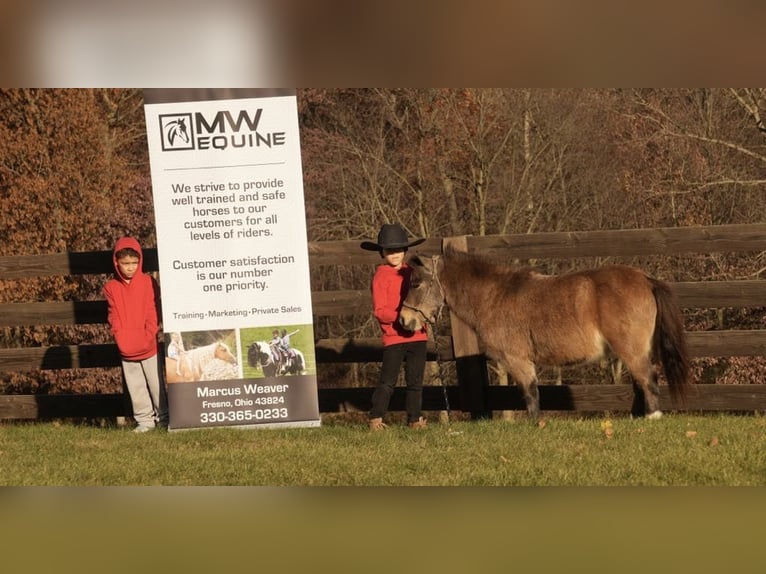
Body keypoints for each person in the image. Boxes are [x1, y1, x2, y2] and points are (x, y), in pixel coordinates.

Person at [360, 224, 429, 431]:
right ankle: (376, 418)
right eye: (390, 250)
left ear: (405, 251)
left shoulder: (415, 273)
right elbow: (380, 311)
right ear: (382, 253)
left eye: (399, 250)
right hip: (394, 338)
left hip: (418, 335)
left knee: (415, 381)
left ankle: (414, 419)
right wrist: (399, 317)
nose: (395, 254)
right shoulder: (380, 277)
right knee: (387, 382)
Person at [103, 236, 168, 432]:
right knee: (136, 386)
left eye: (134, 262)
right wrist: (119, 335)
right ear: (117, 263)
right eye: (125, 263)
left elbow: (152, 309)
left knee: (156, 384)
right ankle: (144, 421)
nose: (130, 267)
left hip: (149, 343)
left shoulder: (149, 282)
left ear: (140, 261)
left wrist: (150, 332)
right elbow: (113, 314)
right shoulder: (111, 287)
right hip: (126, 345)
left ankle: (164, 417)